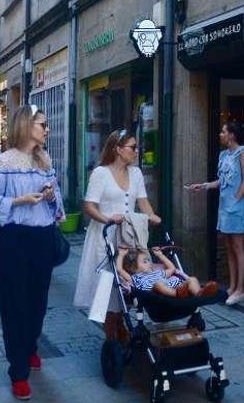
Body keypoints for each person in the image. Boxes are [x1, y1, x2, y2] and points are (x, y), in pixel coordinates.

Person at [0, 105, 63, 401]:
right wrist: (19, 200)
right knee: (14, 302)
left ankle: (30, 345)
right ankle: (18, 372)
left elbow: (57, 205)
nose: (47, 129)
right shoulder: (4, 161)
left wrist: (52, 197)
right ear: (26, 126)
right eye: (42, 124)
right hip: (14, 239)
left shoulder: (44, 159)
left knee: (38, 300)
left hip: (42, 237)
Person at [75, 129, 161, 342]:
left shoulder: (136, 173)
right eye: (132, 147)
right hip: (105, 238)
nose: (136, 150)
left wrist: (151, 216)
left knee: (126, 285)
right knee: (106, 287)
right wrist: (107, 219)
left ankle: (120, 325)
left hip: (128, 237)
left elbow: (142, 201)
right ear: (118, 149)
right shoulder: (101, 173)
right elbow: (89, 206)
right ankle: (112, 334)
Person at [186, 120, 244, 306]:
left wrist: (236, 200)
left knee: (238, 246)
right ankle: (232, 286)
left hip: (237, 207)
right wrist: (205, 186)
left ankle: (241, 289)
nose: (221, 134)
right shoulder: (223, 155)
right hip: (224, 208)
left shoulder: (243, 152)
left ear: (232, 135)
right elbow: (222, 181)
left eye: (223, 132)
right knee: (229, 247)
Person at [117, 246, 217, 298]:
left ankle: (200, 294)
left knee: (192, 279)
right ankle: (177, 295)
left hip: (176, 287)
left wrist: (160, 255)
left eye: (148, 260)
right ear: (134, 268)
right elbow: (120, 270)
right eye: (144, 261)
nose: (149, 262)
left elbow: (172, 269)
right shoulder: (135, 277)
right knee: (158, 284)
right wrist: (121, 255)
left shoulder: (157, 272)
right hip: (155, 294)